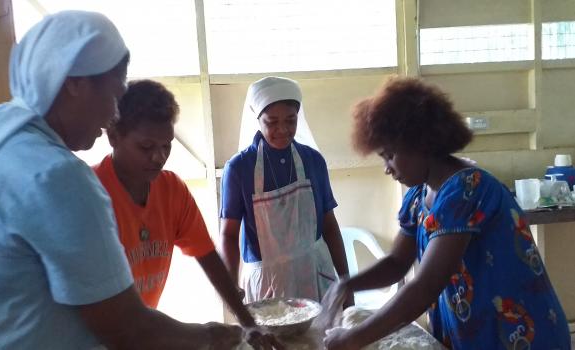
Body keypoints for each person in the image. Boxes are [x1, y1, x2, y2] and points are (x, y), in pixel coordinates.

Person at [0, 11, 242, 349]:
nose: (112, 115)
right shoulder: (57, 176)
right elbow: (128, 330)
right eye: (112, 96)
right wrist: (213, 336)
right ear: (74, 83)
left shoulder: (2, 134)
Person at [320, 77, 571, 350]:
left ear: (422, 144)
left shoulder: (467, 190)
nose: (387, 168)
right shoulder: (418, 198)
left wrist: (354, 337)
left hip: (519, 336)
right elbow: (396, 263)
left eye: (390, 155)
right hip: (474, 334)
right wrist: (347, 284)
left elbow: (426, 285)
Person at [93, 79, 280, 349]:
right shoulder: (91, 195)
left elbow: (207, 256)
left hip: (140, 331)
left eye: (166, 146)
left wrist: (247, 322)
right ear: (113, 136)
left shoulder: (171, 190)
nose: (159, 157)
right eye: (146, 147)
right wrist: (205, 335)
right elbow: (112, 316)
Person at [219, 76, 353, 305]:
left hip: (315, 272)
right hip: (268, 283)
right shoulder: (239, 169)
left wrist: (345, 284)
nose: (282, 130)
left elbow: (330, 227)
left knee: (323, 339)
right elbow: (229, 235)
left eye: (291, 121)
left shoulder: (312, 161)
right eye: (272, 122)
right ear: (258, 120)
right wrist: (231, 286)